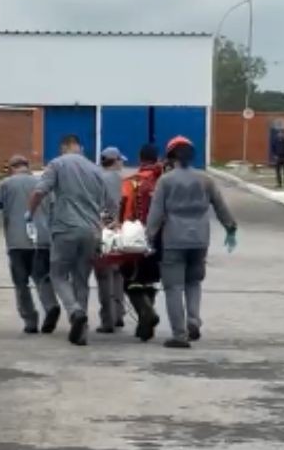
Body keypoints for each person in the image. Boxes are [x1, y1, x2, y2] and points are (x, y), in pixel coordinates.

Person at [146, 135, 237, 349]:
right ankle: (193, 320)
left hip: (174, 239)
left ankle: (179, 334)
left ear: (170, 157)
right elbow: (221, 206)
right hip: (200, 240)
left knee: (174, 287)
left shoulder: (165, 181)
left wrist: (149, 238)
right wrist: (230, 228)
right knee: (193, 282)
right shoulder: (206, 179)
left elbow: (156, 214)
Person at [27, 134, 117, 345]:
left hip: (65, 229)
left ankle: (75, 312)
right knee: (81, 279)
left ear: (64, 147)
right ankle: (81, 331)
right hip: (91, 232)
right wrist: (108, 224)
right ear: (80, 148)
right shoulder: (96, 169)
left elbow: (39, 192)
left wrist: (29, 213)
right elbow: (112, 204)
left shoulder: (57, 164)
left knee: (58, 274)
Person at [0, 154, 60, 334]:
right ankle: (51, 305)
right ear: (27, 166)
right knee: (42, 277)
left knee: (21, 283)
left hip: (16, 243)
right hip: (42, 241)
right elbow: (55, 210)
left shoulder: (5, 185)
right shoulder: (42, 184)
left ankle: (30, 320)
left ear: (11, 168)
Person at [119, 142, 167, 341]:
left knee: (130, 281)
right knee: (150, 280)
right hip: (161, 237)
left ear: (140, 159)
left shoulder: (132, 181)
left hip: (136, 236)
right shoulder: (163, 179)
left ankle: (146, 313)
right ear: (157, 158)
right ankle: (144, 325)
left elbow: (123, 209)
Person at [93, 147, 131, 333]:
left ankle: (107, 318)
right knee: (117, 273)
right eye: (120, 160)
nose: (122, 163)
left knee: (103, 275)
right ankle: (119, 313)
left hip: (102, 227)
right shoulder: (119, 179)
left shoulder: (96, 177)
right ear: (114, 160)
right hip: (118, 227)